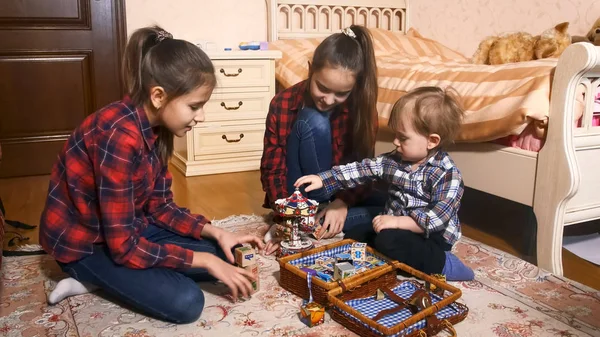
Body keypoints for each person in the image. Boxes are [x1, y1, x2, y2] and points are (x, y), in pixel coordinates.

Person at [39, 26, 264, 324]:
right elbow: (122, 247)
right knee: (186, 301)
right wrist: (202, 260)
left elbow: (159, 206)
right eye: (194, 106)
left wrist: (216, 232)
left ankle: (117, 280)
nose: (202, 116)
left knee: (227, 254)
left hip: (127, 228)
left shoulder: (155, 128)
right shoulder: (117, 136)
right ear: (158, 95)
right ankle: (86, 275)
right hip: (87, 244)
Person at [294, 87, 475, 281]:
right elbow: (363, 169)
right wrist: (324, 178)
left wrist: (397, 223)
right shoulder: (396, 160)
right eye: (395, 134)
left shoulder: (448, 175)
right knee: (355, 235)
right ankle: (374, 260)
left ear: (432, 141)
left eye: (403, 137)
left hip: (430, 237)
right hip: (395, 225)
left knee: (388, 241)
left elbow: (435, 219)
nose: (396, 142)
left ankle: (445, 264)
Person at [260, 25, 385, 250]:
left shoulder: (362, 108)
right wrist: (285, 215)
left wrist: (342, 202)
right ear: (310, 70)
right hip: (299, 194)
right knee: (313, 119)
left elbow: (365, 169)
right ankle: (301, 219)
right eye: (322, 88)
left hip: (338, 190)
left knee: (396, 204)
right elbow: (273, 168)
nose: (328, 100)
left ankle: (317, 221)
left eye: (341, 93)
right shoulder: (282, 102)